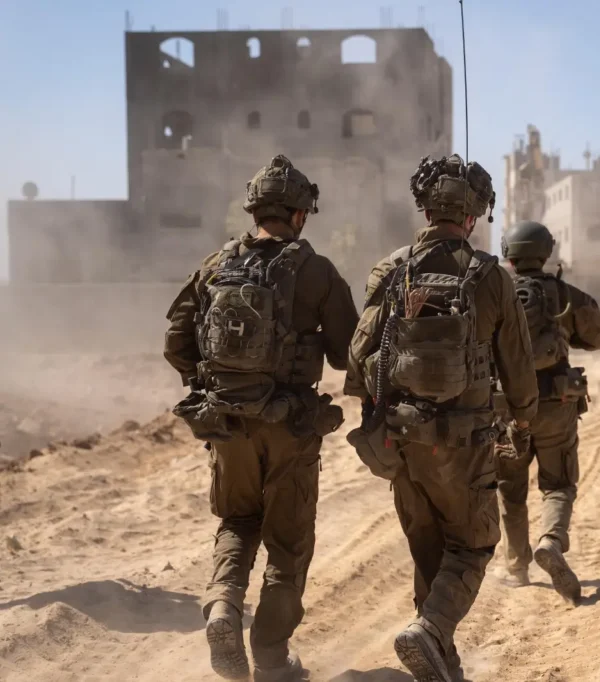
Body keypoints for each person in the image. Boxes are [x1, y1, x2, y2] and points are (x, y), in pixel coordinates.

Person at [164, 155, 360, 681]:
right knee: (287, 546)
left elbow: (176, 343)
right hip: (290, 427)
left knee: (237, 522)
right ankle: (271, 658)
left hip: (227, 426)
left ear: (254, 211)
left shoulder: (215, 265)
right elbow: (347, 353)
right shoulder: (316, 270)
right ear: (298, 214)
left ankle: (223, 606)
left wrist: (213, 387)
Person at [344, 154, 538, 682]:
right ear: (472, 216)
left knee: (429, 549)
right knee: (473, 545)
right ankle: (430, 632)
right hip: (464, 443)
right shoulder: (492, 277)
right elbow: (519, 369)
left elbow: (358, 359)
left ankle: (438, 656)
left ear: (426, 209)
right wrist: (523, 422)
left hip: (402, 440)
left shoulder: (391, 270)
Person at [497, 220, 600, 604]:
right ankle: (552, 541)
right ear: (546, 253)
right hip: (556, 404)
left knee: (509, 487)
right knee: (557, 484)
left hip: (508, 408)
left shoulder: (494, 294)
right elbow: (596, 337)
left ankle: (517, 568)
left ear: (508, 255)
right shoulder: (564, 294)